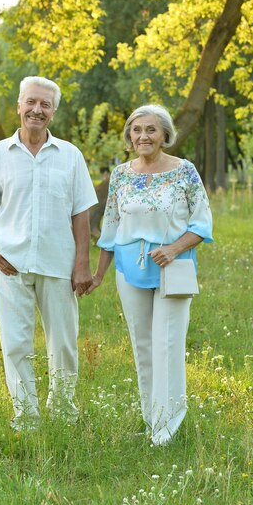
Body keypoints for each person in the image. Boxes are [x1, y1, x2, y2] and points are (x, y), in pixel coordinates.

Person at [0, 76, 98, 430]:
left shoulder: (70, 156)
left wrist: (82, 265)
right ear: (19, 105)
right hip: (10, 261)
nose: (36, 110)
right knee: (15, 343)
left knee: (63, 343)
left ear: (53, 112)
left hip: (58, 261)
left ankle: (61, 410)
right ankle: (26, 416)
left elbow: (81, 214)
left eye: (45, 105)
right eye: (31, 102)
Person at [87, 104, 212, 445]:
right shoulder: (121, 174)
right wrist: (98, 275)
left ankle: (168, 427)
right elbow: (110, 228)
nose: (143, 136)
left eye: (151, 130)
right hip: (130, 269)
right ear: (129, 136)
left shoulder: (184, 171)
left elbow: (203, 223)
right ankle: (152, 419)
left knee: (167, 344)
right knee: (143, 346)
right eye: (137, 130)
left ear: (165, 135)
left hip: (173, 269)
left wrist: (172, 249)